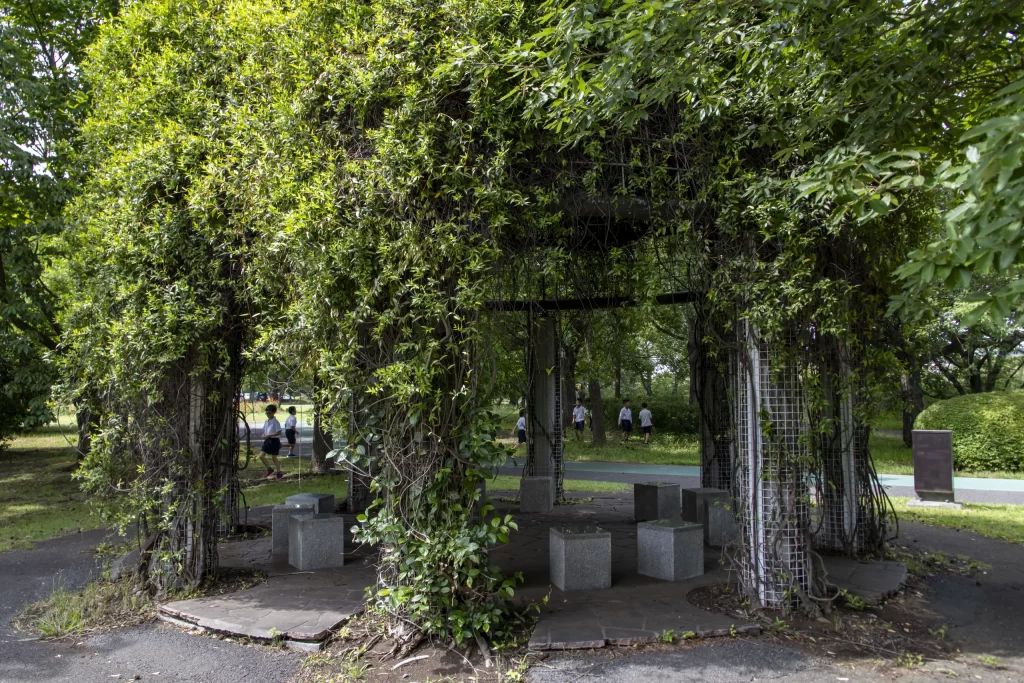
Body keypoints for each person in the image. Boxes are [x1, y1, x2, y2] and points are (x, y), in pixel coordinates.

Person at [259, 404, 284, 480]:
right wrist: (264, 434)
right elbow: (265, 431)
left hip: (274, 441)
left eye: (269, 413)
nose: (268, 415)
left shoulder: (275, 422)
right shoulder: (266, 421)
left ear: (273, 413)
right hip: (267, 440)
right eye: (266, 413)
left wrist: (269, 435)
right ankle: (269, 469)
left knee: (274, 458)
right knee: (261, 456)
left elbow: (279, 432)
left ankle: (279, 472)